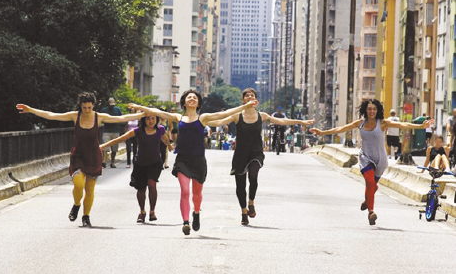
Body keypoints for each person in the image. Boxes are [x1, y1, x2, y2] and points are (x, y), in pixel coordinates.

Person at [129, 89, 257, 235]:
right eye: (189, 97)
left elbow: (225, 113)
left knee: (197, 193)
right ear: (184, 102)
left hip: (198, 161)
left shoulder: (203, 118)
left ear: (198, 102)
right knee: (185, 191)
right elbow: (158, 113)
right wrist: (141, 108)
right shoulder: (178, 117)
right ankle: (185, 222)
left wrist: (245, 106)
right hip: (182, 159)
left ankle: (196, 212)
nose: (191, 99)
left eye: (194, 97)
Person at [16, 93, 143, 227]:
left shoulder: (99, 117)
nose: (87, 110)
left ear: (93, 106)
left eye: (89, 107)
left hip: (93, 155)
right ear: (80, 106)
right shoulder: (74, 115)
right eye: (84, 107)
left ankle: (86, 216)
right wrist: (30, 110)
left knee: (90, 189)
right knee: (78, 183)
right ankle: (76, 204)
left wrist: (142, 114)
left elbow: (122, 118)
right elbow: (51, 115)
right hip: (78, 154)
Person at [310, 99, 433, 226]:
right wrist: (322, 133)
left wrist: (420, 127)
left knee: (373, 186)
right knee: (369, 182)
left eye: (374, 109)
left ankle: (367, 201)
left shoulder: (382, 123)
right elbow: (342, 128)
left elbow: (402, 125)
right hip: (365, 157)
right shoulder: (360, 123)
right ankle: (371, 212)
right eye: (369, 109)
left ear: (377, 110)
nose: (372, 111)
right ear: (365, 110)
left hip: (381, 159)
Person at [209, 88, 315, 225]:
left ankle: (251, 202)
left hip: (256, 152)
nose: (249, 97)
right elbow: (219, 122)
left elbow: (281, 121)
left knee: (253, 175)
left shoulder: (262, 116)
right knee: (240, 186)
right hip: (240, 154)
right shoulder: (237, 116)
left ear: (256, 100)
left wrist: (301, 122)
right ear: (243, 101)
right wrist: (203, 122)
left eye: (252, 95)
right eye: (246, 96)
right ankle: (243, 211)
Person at [100, 114, 172, 223]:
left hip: (155, 163)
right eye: (148, 118)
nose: (151, 121)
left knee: (152, 184)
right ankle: (142, 211)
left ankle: (152, 211)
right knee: (141, 189)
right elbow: (121, 138)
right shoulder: (138, 131)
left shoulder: (160, 129)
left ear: (157, 119)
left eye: (153, 118)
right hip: (140, 163)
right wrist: (103, 146)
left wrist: (170, 146)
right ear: (143, 120)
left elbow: (165, 139)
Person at [101, 97, 123, 168]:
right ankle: (103, 161)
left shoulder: (118, 110)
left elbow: (121, 119)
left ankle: (112, 162)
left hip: (115, 130)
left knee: (114, 148)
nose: (112, 106)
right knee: (105, 146)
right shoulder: (104, 110)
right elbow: (102, 119)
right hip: (106, 130)